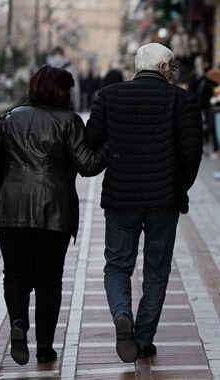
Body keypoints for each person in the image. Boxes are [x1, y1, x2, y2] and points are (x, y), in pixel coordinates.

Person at [0, 65, 106, 365]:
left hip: (10, 209)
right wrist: (109, 148)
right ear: (61, 90)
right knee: (49, 279)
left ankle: (18, 323)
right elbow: (88, 165)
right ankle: (45, 346)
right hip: (53, 211)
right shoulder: (69, 121)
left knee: (15, 274)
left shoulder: (11, 117)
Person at [86, 43, 203, 363]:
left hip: (121, 198)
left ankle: (122, 314)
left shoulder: (109, 96)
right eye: (173, 68)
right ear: (164, 67)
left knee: (117, 265)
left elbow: (92, 140)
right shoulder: (182, 100)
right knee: (156, 269)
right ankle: (144, 338)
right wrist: (180, 186)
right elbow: (192, 152)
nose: (174, 73)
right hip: (164, 200)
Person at [47, 47, 81, 111]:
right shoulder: (70, 66)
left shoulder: (46, 67)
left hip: (49, 104)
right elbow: (76, 88)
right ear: (63, 54)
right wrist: (77, 105)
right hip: (67, 103)